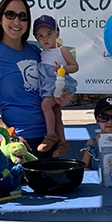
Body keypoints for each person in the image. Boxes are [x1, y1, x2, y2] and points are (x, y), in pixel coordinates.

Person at [0, 0, 73, 160]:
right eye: (10, 15)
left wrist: (60, 98)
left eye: (23, 17)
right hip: (20, 143)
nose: (17, 21)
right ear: (0, 19)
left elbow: (49, 89)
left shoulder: (38, 51)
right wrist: (11, 136)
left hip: (49, 139)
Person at [31, 15, 79, 156]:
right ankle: (63, 142)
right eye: (40, 36)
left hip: (59, 84)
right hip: (47, 84)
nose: (45, 38)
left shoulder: (62, 50)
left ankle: (51, 135)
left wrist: (62, 69)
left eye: (49, 34)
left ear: (57, 34)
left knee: (45, 106)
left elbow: (75, 66)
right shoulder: (42, 51)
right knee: (56, 112)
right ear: (36, 38)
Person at [80, 97, 112, 170]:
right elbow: (83, 168)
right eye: (104, 117)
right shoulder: (92, 143)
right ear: (97, 121)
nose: (110, 122)